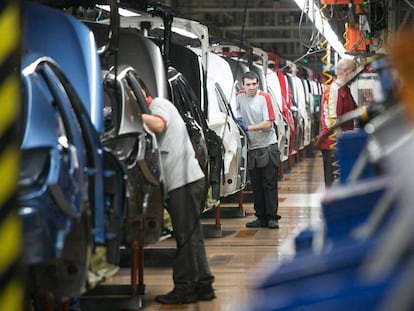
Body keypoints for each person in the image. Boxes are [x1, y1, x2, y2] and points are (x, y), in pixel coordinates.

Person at [141, 89, 215, 304]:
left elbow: (158, 125)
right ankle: (204, 285)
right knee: (192, 237)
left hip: (184, 183)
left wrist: (133, 116)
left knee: (185, 238)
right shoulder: (155, 106)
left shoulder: (158, 105)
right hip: (186, 182)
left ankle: (184, 290)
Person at [236, 71, 281, 229]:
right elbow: (234, 113)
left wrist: (248, 127)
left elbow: (268, 124)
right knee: (256, 184)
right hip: (252, 148)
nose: (251, 87)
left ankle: (272, 217)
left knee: (269, 183)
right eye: (248, 84)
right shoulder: (238, 97)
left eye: (254, 84)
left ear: (258, 84)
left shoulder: (264, 97)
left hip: (268, 145)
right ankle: (260, 217)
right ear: (242, 85)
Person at [315, 58, 358, 186]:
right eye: (354, 71)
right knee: (334, 184)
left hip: (342, 142)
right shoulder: (335, 91)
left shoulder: (345, 89)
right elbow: (332, 121)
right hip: (333, 144)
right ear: (345, 71)